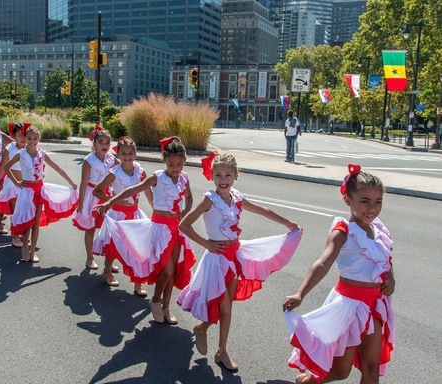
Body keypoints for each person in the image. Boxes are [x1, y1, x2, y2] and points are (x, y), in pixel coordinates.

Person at [177, 152, 302, 371]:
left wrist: (286, 222)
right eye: (218, 175)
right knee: (223, 306)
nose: (223, 179)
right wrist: (207, 244)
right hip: (216, 258)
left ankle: (212, 339)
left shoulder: (236, 197)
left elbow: (262, 210)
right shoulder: (210, 199)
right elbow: (184, 225)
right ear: (212, 176)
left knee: (228, 306)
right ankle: (215, 343)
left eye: (227, 174)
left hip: (234, 256)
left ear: (236, 175)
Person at [282, 164, 395, 384]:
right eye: (365, 201)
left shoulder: (378, 229)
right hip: (349, 307)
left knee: (371, 368)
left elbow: (385, 257)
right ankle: (307, 382)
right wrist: (300, 293)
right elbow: (322, 263)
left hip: (375, 305)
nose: (372, 208)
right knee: (340, 372)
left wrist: (390, 277)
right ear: (348, 201)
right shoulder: (343, 231)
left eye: (378, 201)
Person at [96, 136, 195, 325]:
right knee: (166, 271)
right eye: (171, 163)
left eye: (180, 164)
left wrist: (185, 211)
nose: (175, 168)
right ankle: (155, 300)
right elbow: (133, 189)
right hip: (160, 229)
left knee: (173, 272)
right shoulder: (157, 177)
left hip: (177, 229)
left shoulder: (184, 178)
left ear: (184, 162)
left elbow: (189, 197)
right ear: (164, 159)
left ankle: (166, 307)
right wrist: (110, 201)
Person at [4, 125, 78, 263]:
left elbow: (57, 168)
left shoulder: (42, 153)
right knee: (29, 221)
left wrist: (71, 182)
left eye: (35, 138)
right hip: (27, 190)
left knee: (36, 222)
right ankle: (25, 245)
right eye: (29, 138)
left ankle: (32, 250)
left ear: (39, 139)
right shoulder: (21, 154)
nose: (32, 141)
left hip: (40, 189)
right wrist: (16, 182)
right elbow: (6, 167)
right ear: (25, 139)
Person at [92, 136, 153, 295]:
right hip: (118, 215)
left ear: (135, 154)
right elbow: (97, 191)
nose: (127, 157)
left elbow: (147, 190)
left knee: (139, 247)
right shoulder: (115, 173)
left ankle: (138, 283)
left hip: (135, 214)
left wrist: (154, 209)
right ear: (118, 154)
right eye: (124, 153)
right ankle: (107, 271)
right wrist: (112, 201)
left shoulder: (140, 170)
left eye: (130, 153)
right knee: (113, 246)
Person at [72, 125, 120, 271]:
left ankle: (109, 261)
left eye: (107, 143)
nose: (104, 146)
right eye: (101, 142)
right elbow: (84, 182)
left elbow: (123, 168)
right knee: (91, 228)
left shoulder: (111, 158)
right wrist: (80, 203)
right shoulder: (89, 160)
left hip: (107, 195)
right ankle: (89, 257)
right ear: (94, 144)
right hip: (92, 196)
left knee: (110, 228)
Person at [0, 122, 27, 246]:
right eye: (20, 135)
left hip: (26, 185)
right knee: (16, 210)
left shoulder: (29, 149)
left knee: (25, 210)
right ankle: (15, 236)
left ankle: (24, 232)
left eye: (25, 135)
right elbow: (2, 169)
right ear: (13, 136)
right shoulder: (10, 149)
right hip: (13, 184)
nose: (23, 138)